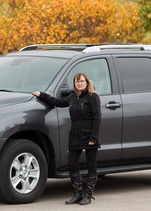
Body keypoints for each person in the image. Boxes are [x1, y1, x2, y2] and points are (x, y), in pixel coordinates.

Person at [32, 72, 101, 205]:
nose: (79, 83)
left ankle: (88, 195)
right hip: (75, 136)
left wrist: (93, 137)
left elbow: (97, 118)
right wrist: (42, 95)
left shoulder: (93, 97)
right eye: (77, 81)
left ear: (87, 82)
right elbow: (57, 102)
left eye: (81, 81)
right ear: (74, 83)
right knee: (73, 165)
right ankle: (77, 194)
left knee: (91, 166)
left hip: (89, 136)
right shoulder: (73, 97)